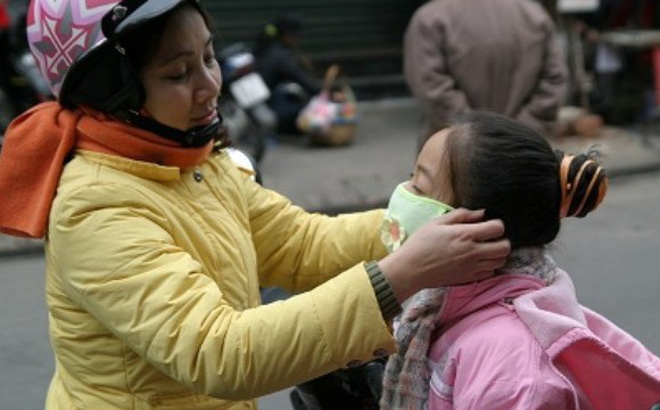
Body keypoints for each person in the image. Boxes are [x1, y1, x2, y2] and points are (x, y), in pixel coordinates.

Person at [0, 1, 511, 408]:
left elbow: (302, 245)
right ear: (112, 93)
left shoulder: (197, 162)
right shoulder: (95, 207)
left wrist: (437, 211)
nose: (209, 85)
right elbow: (220, 353)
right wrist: (399, 275)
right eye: (178, 74)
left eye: (208, 57)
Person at [377, 112, 660, 409]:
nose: (403, 191)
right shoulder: (439, 298)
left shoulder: (511, 372)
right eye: (411, 177)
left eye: (420, 188)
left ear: (475, 228)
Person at [403, 0, 568, 146]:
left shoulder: (431, 18)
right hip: (523, 151)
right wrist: (522, 129)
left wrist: (474, 132)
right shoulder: (535, 14)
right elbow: (555, 79)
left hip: (454, 154)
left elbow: (431, 86)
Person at [253, 14, 323, 134]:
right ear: (287, 35)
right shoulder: (280, 56)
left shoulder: (267, 49)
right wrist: (323, 94)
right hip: (268, 105)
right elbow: (301, 79)